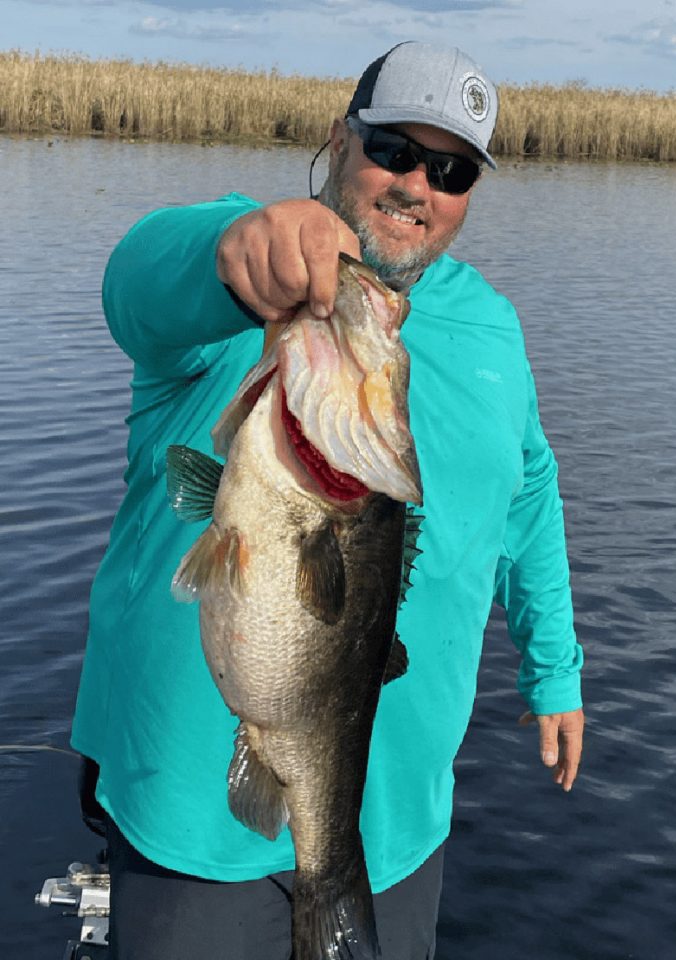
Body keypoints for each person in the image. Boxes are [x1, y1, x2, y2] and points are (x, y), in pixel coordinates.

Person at [71, 40, 585, 960]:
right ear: (341, 141)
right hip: (192, 822)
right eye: (393, 149)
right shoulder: (246, 269)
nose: (416, 185)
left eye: (452, 167)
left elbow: (530, 489)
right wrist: (232, 258)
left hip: (399, 827)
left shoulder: (494, 329)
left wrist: (555, 671)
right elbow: (133, 289)